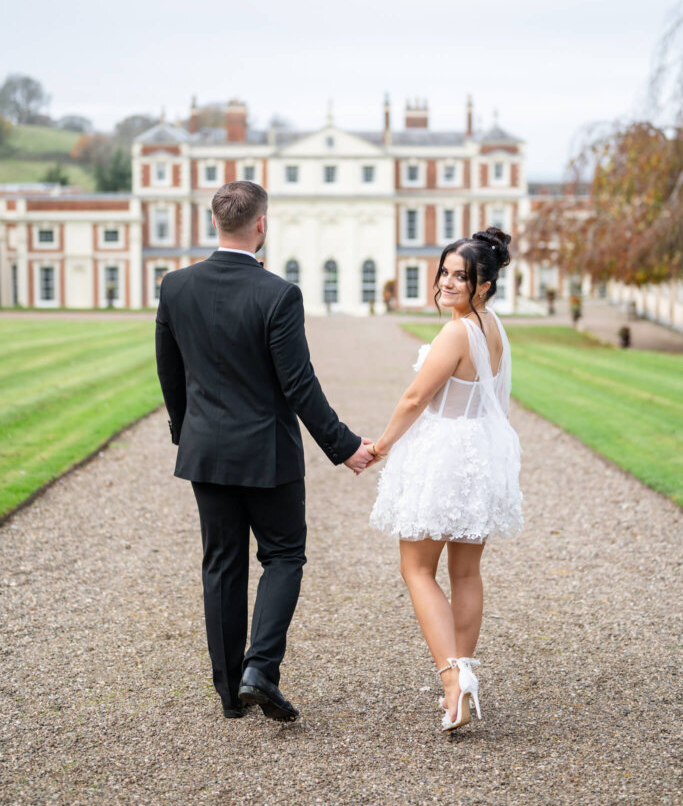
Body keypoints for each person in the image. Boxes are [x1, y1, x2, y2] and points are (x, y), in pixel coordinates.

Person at [155, 181, 374, 722]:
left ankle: (231, 694)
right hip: (267, 454)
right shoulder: (278, 294)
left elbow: (169, 370)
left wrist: (188, 432)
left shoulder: (175, 286)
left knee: (222, 565)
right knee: (282, 556)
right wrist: (344, 447)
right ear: (262, 225)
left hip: (206, 451)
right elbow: (299, 384)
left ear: (216, 223)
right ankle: (260, 669)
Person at [367, 227, 523, 733]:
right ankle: (464, 675)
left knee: (416, 569)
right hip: (479, 452)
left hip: (446, 454)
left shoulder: (456, 332)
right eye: (446, 272)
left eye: (462, 276)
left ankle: (452, 678)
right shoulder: (492, 325)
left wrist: (381, 445)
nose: (448, 283)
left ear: (484, 285)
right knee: (465, 574)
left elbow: (415, 399)